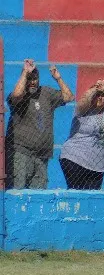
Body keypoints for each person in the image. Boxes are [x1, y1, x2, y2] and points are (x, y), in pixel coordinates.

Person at [5, 59, 73, 189]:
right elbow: (17, 94)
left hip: (42, 156)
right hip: (20, 153)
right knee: (17, 192)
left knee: (38, 195)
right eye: (29, 79)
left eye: (35, 78)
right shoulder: (19, 97)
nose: (32, 82)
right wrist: (25, 72)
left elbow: (69, 97)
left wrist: (58, 79)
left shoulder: (46, 92)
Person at [60, 78, 104, 190]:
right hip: (75, 158)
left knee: (92, 198)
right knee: (77, 193)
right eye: (98, 95)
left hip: (97, 163)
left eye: (103, 95)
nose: (100, 97)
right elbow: (84, 99)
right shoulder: (82, 110)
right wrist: (96, 88)